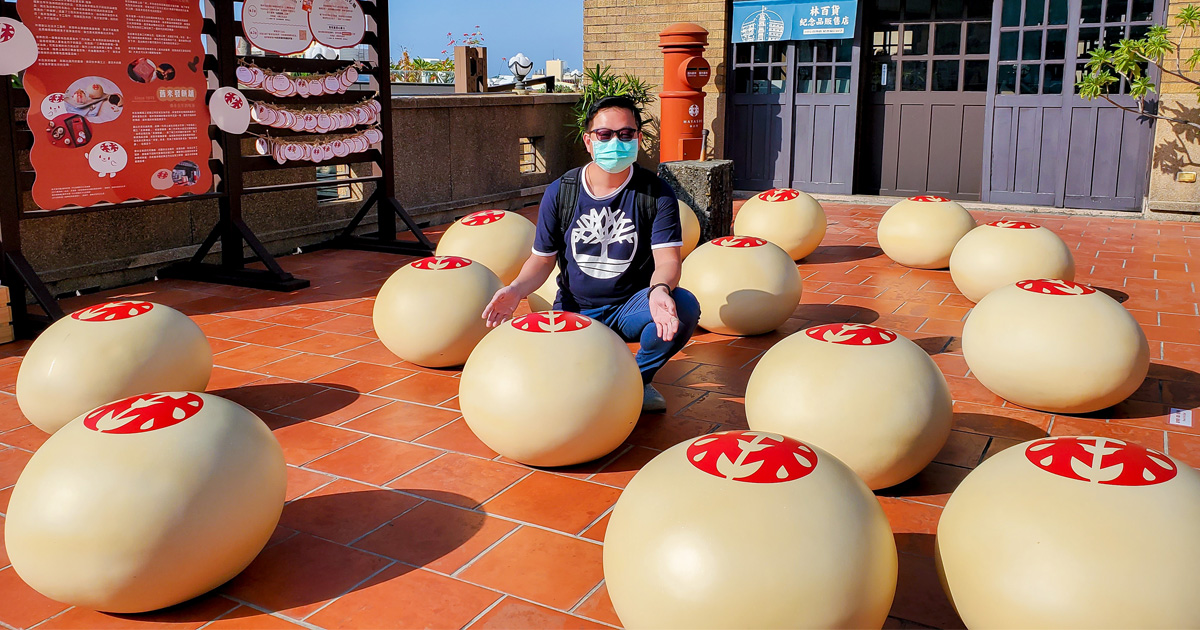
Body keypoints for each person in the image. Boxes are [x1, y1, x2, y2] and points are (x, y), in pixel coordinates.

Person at [482, 95, 701, 413]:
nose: (616, 141)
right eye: (605, 134)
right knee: (564, 393)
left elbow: (668, 259)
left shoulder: (656, 193)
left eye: (626, 134)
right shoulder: (562, 191)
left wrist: (660, 291)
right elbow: (542, 259)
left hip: (630, 306)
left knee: (682, 307)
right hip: (576, 309)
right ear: (588, 140)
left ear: (638, 138)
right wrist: (516, 289)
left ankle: (637, 380)